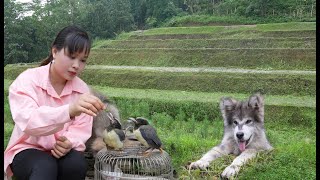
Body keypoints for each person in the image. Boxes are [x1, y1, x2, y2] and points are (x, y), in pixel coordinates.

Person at [4, 25, 106, 180]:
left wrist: (69, 142)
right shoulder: (27, 80)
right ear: (54, 52)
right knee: (45, 166)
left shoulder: (82, 89)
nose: (76, 65)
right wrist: (69, 111)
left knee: (76, 164)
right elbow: (29, 121)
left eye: (83, 60)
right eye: (71, 56)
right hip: (27, 149)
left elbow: (81, 128)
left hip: (61, 151)